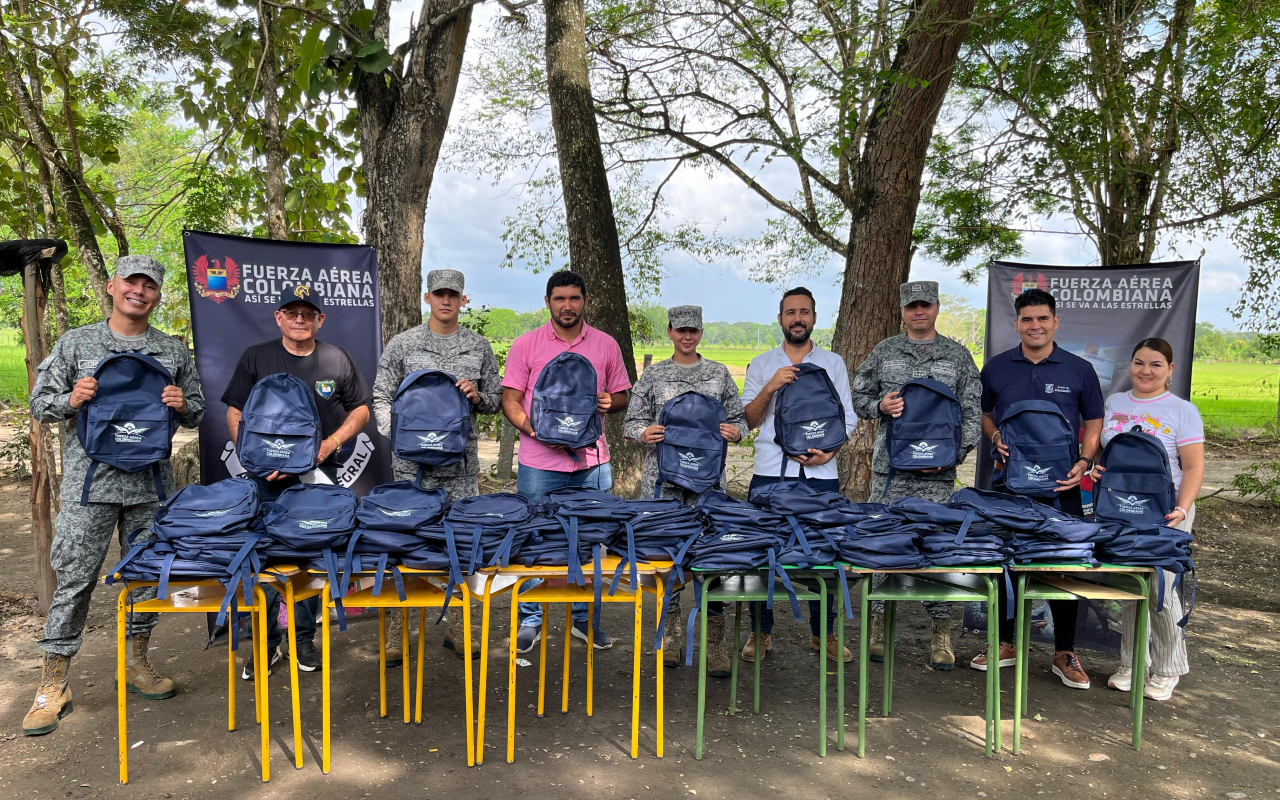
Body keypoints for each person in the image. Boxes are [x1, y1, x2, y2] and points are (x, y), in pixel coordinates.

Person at [25, 255, 205, 736]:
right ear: (112, 286)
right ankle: (53, 683)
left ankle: (138, 662)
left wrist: (183, 405)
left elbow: (198, 413)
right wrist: (71, 400)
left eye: (150, 284)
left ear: (158, 294)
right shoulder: (78, 343)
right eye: (132, 282)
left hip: (151, 486)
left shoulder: (171, 351)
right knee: (76, 580)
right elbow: (40, 403)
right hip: (90, 486)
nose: (139, 291)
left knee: (145, 577)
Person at [222, 290, 371, 679]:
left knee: (312, 558)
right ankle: (267, 645)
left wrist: (330, 444)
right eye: (292, 313)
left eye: (308, 314)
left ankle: (303, 637)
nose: (300, 319)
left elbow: (361, 409)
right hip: (266, 479)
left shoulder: (336, 358)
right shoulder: (257, 356)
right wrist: (256, 456)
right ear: (278, 317)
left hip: (319, 476)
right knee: (266, 560)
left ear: (320, 320)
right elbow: (236, 411)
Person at [971, 288, 1103, 689]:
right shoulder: (995, 368)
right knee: (1006, 560)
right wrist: (995, 439)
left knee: (1063, 563)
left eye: (1042, 318)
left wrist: (1083, 462)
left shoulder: (1079, 369)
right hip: (1009, 485)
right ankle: (1006, 643)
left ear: (1055, 322)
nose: (1035, 326)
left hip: (1061, 487)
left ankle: (1064, 651)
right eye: (1027, 319)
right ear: (1017, 324)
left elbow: (1094, 423)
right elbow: (984, 415)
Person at [851, 281, 982, 670]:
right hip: (890, 473)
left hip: (937, 478)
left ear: (937, 308)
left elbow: (973, 415)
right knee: (881, 548)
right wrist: (879, 404)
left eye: (925, 305)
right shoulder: (884, 351)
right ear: (903, 310)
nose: (918, 312)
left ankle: (940, 633)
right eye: (911, 306)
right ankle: (877, 626)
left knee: (938, 552)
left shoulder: (957, 357)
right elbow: (858, 397)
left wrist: (949, 459)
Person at [373, 269, 501, 661]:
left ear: (463, 301)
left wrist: (477, 396)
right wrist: (398, 436)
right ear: (427, 297)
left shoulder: (479, 347)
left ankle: (460, 628)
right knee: (402, 543)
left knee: (463, 545)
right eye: (439, 293)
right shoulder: (403, 344)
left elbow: (496, 401)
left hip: (460, 469)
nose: (446, 300)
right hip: (412, 468)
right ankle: (399, 630)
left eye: (454, 295)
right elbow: (380, 395)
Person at [501, 271, 631, 654]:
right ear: (548, 302)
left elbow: (622, 395)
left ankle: (584, 620)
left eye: (574, 298)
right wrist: (531, 428)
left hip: (593, 462)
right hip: (539, 462)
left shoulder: (606, 345)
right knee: (533, 541)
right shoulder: (526, 345)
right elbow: (510, 398)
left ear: (585, 300)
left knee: (591, 542)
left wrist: (612, 402)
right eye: (560, 299)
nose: (567, 306)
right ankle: (530, 620)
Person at [622, 305, 747, 676]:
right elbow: (631, 421)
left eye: (693, 330)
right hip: (663, 483)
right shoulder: (655, 374)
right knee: (665, 560)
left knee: (711, 559)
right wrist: (643, 433)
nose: (687, 336)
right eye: (680, 330)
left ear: (701, 332)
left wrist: (735, 432)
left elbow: (738, 419)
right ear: (670, 332)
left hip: (708, 484)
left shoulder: (719, 374)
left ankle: (715, 644)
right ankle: (671, 637)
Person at [740, 287, 857, 663]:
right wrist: (771, 386)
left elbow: (848, 417)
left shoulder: (833, 363)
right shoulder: (761, 363)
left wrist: (831, 451)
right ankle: (761, 633)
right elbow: (748, 420)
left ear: (814, 318)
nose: (797, 318)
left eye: (804, 311)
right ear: (780, 319)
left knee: (825, 553)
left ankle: (824, 633)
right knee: (763, 554)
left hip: (822, 475)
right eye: (790, 312)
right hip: (770, 473)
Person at [1096, 338, 1203, 701]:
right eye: (1139, 362)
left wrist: (1183, 509)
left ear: (1170, 370)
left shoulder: (1182, 410)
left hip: (1167, 511)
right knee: (1128, 586)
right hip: (1120, 508)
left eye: (1156, 364)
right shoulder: (1115, 403)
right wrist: (1099, 472)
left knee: (1161, 588)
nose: (1146, 371)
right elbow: (1106, 455)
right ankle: (1132, 662)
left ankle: (1169, 667)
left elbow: (1193, 467)